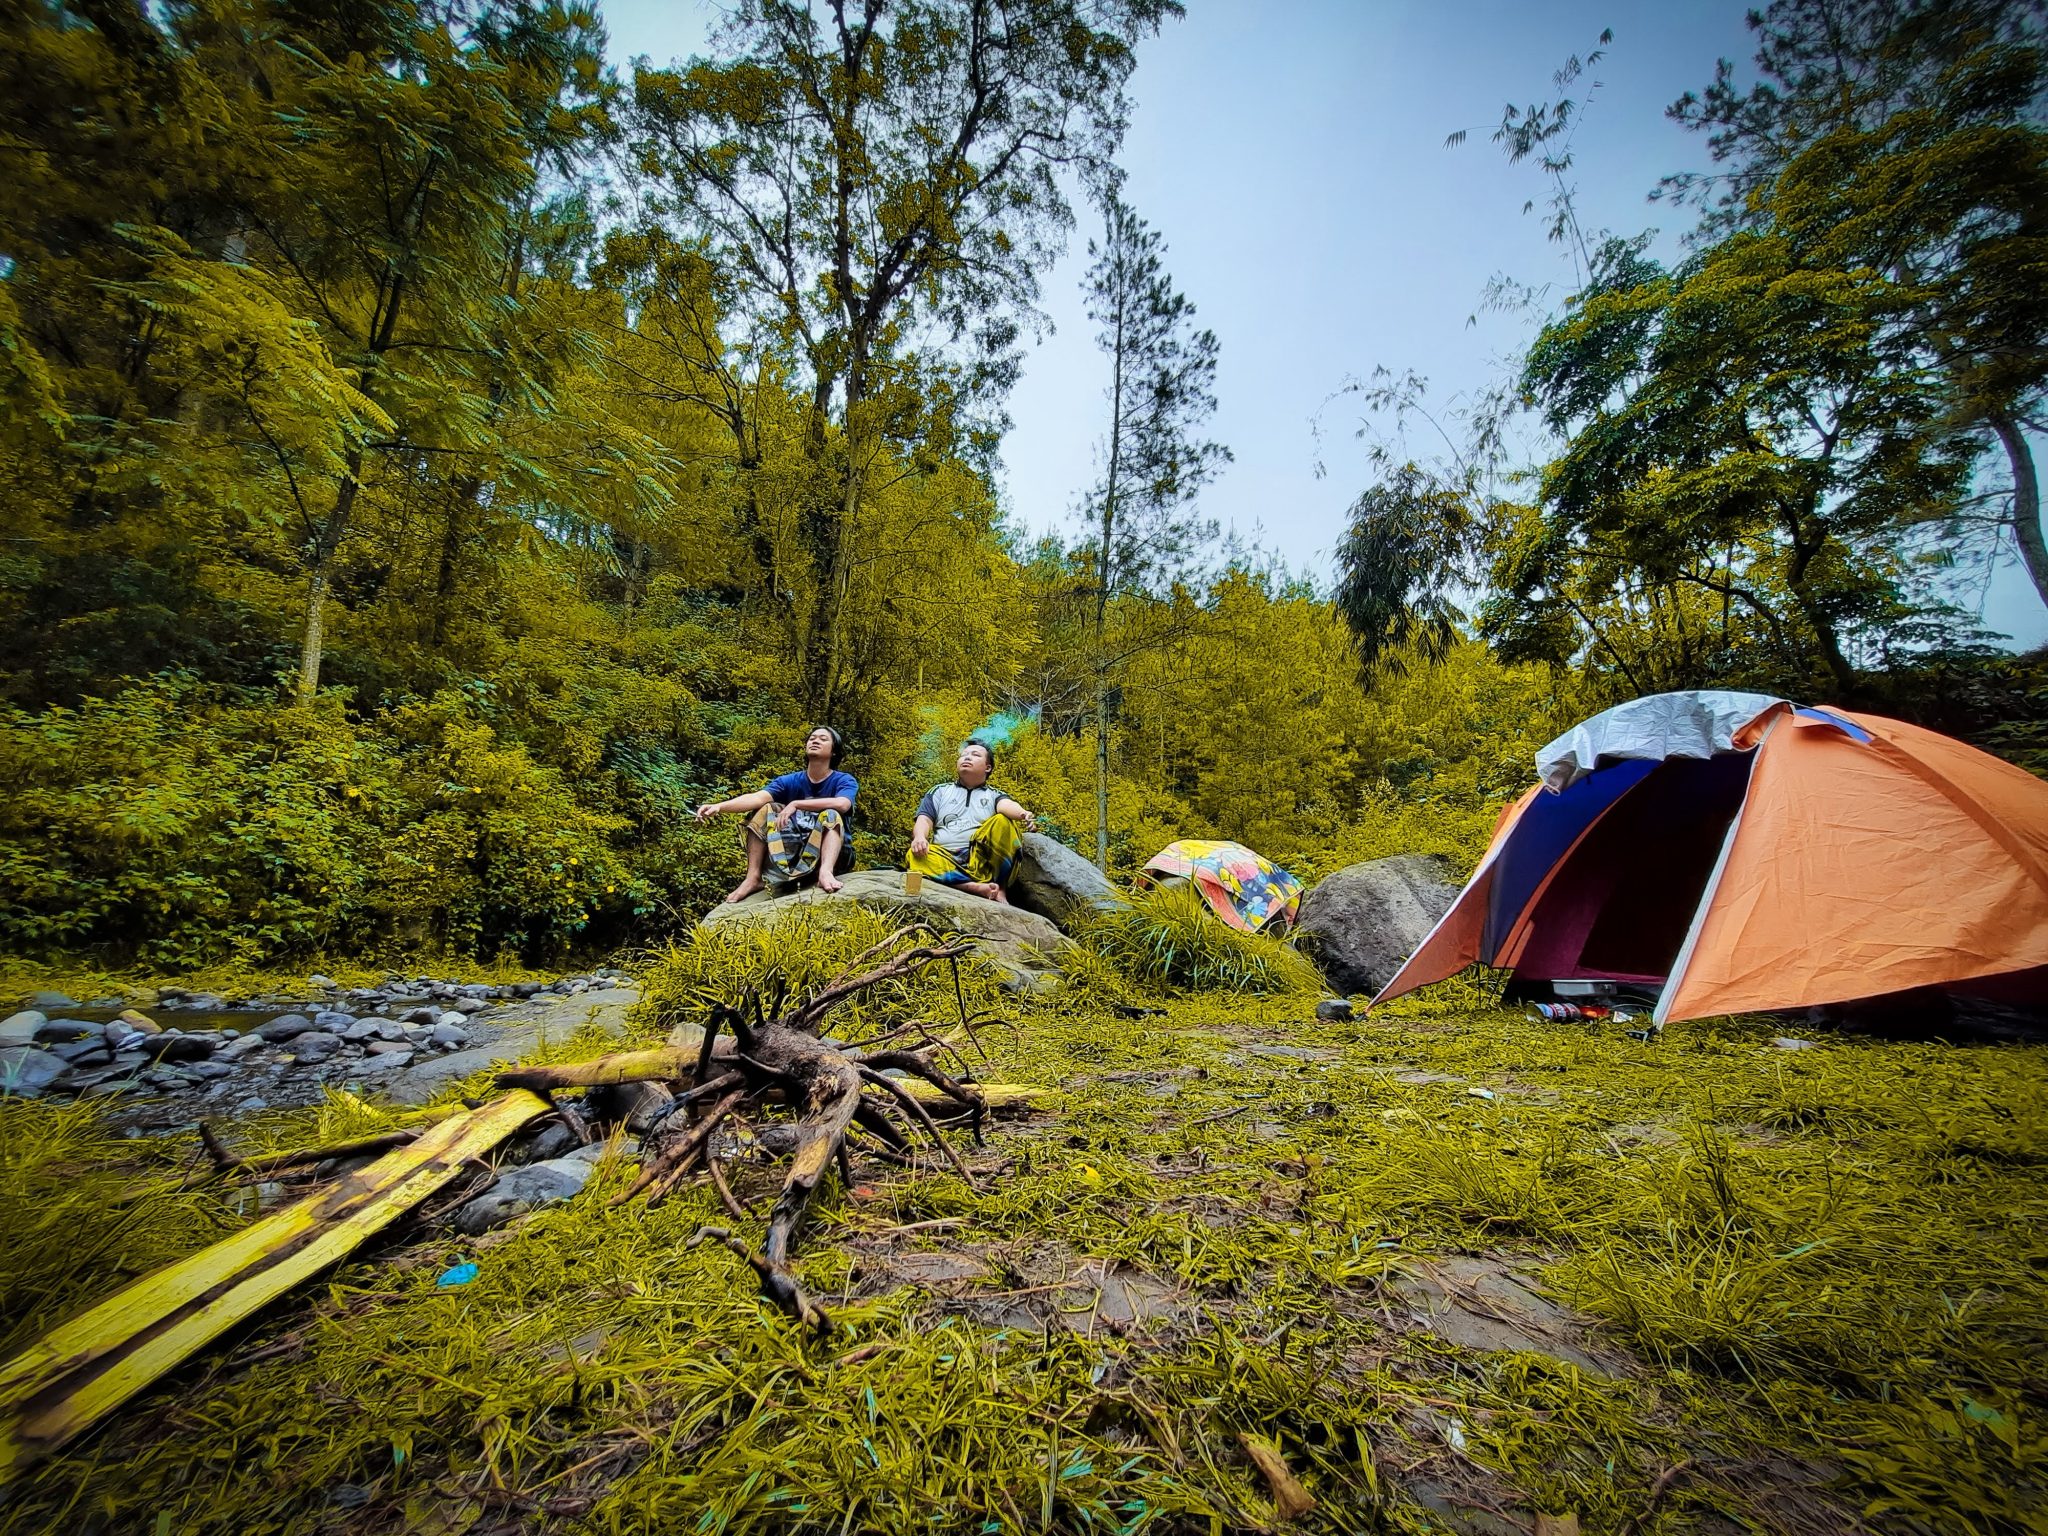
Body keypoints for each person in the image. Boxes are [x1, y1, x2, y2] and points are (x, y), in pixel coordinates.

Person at [695, 726, 857, 901]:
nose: (815, 741)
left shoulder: (843, 780)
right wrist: (719, 806)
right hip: (794, 855)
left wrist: (796, 803)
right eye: (812, 738)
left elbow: (843, 804)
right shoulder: (789, 781)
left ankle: (826, 872)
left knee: (831, 814)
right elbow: (757, 798)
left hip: (837, 855)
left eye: (823, 739)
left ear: (834, 751)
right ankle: (753, 877)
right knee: (765, 809)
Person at [907, 738, 1037, 903]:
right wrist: (920, 838)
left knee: (1003, 821)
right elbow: (924, 820)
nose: (967, 758)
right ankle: (974, 888)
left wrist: (1023, 814)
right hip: (945, 858)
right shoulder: (940, 791)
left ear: (988, 767)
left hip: (982, 862)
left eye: (975, 755)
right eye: (964, 755)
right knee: (914, 855)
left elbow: (1007, 805)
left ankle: (1000, 889)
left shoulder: (993, 795)